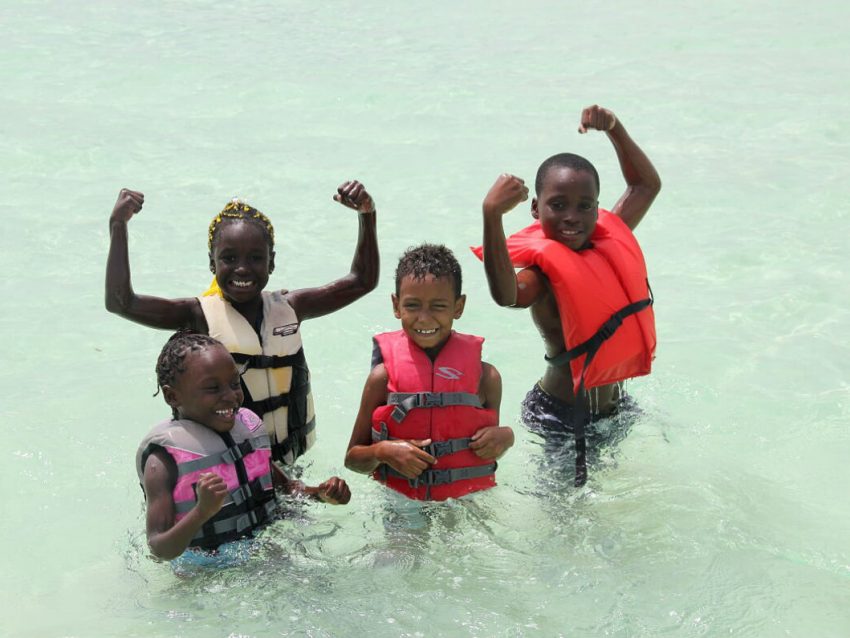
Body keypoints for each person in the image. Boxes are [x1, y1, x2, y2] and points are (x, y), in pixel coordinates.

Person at [107, 181, 379, 465]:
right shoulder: (197, 315)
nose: (242, 268)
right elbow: (120, 302)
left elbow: (362, 281)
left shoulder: (291, 308)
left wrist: (367, 214)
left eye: (256, 258)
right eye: (229, 258)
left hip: (294, 461)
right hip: (237, 466)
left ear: (271, 262)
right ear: (212, 263)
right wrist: (118, 225)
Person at [475, 105, 661, 486]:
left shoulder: (607, 239)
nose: (572, 216)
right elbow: (507, 295)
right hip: (561, 414)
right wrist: (492, 214)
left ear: (597, 208)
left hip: (616, 408)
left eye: (584, 206)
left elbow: (646, 186)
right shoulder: (542, 275)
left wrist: (615, 128)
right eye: (557, 205)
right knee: (564, 511)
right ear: (535, 208)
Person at [136, 331, 350, 565]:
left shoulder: (248, 431)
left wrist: (321, 494)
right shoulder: (162, 462)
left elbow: (286, 490)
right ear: (172, 396)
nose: (230, 396)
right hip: (207, 571)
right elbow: (158, 548)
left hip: (266, 547)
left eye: (235, 383)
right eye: (213, 388)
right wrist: (201, 512)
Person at [345, 244, 514, 501]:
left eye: (438, 306)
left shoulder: (487, 378)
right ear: (396, 305)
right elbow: (352, 459)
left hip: (465, 502)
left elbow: (490, 448)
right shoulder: (381, 378)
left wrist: (507, 437)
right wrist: (383, 451)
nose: (424, 318)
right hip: (402, 503)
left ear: (459, 306)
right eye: (412, 305)